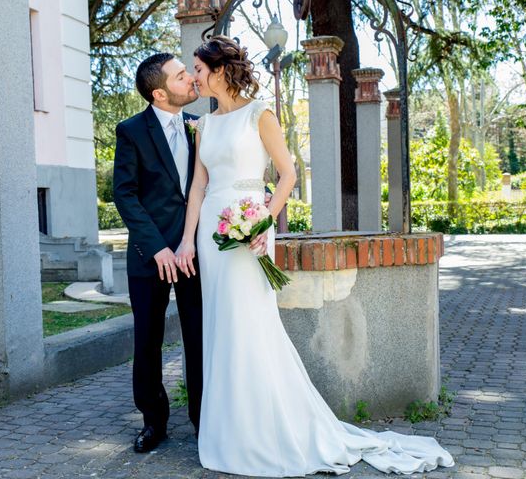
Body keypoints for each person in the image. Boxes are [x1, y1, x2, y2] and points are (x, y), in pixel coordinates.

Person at [175, 35, 455, 477]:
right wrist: (187, 241)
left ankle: (265, 431)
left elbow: (287, 173)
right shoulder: (204, 126)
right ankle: (227, 431)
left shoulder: (259, 114)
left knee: (251, 325)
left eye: (198, 68)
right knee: (220, 328)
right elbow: (197, 189)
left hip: (249, 232)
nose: (193, 77)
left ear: (220, 69)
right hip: (212, 236)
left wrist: (264, 220)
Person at [113, 53, 203, 453]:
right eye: (182, 75)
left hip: (195, 252)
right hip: (150, 256)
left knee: (198, 338)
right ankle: (154, 422)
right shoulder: (131, 131)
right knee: (147, 342)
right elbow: (125, 195)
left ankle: (204, 421)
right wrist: (157, 248)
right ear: (159, 93)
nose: (190, 79)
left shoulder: (197, 127)